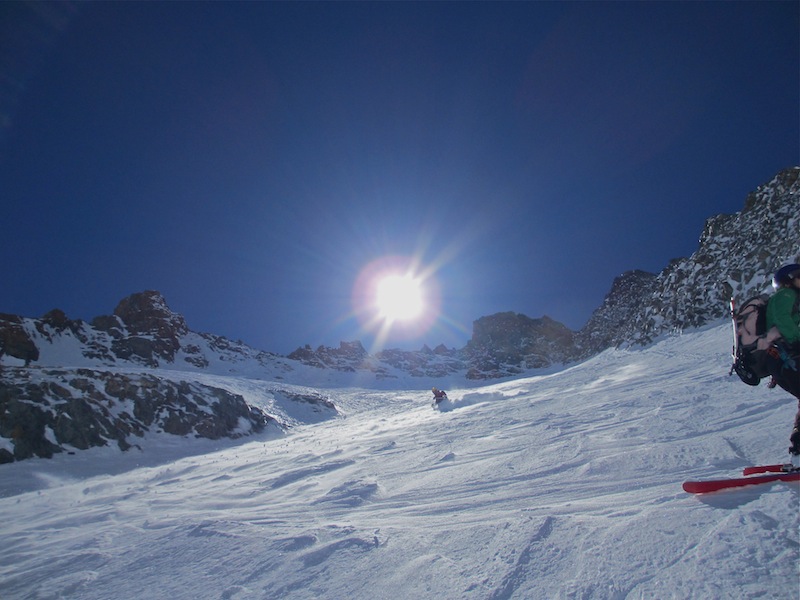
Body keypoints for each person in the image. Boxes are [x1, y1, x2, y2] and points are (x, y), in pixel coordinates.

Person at [765, 263, 800, 457]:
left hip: (781, 362)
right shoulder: (787, 295)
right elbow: (781, 318)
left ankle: (798, 449)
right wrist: (796, 341)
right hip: (786, 358)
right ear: (789, 279)